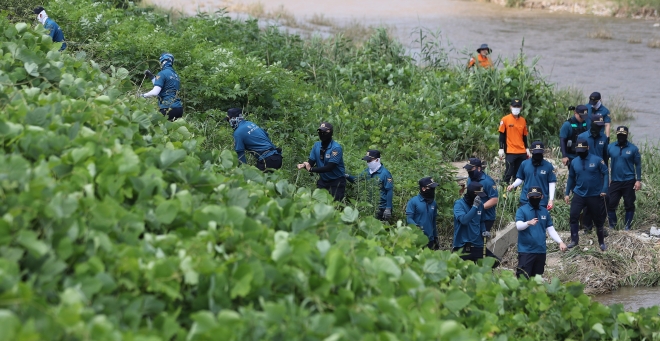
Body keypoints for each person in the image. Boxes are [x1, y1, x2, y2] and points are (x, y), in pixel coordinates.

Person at [564, 139, 609, 251]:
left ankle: (601, 242)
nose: (580, 152)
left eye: (582, 150)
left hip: (594, 195)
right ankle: (574, 240)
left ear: (588, 148)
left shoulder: (597, 160)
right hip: (579, 194)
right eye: (578, 150)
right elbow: (571, 178)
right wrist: (567, 193)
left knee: (598, 220)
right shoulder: (574, 161)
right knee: (573, 216)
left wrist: (604, 188)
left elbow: (605, 172)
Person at [515, 187, 568, 279]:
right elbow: (518, 226)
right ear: (528, 196)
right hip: (526, 251)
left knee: (536, 279)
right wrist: (528, 223)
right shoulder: (522, 210)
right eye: (532, 196)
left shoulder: (544, 212)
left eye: (537, 196)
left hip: (540, 251)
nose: (535, 198)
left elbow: (550, 229)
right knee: (523, 279)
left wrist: (560, 242)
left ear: (542, 197)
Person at [453, 182, 499, 265]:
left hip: (477, 244)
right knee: (462, 272)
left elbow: (481, 221)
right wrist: (474, 207)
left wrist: (484, 231)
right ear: (472, 193)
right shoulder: (459, 204)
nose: (479, 197)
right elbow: (464, 221)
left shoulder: (480, 204)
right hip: (462, 245)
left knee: (495, 262)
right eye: (478, 194)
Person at [297, 122, 346, 202]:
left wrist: (311, 169)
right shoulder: (317, 145)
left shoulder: (336, 148)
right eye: (320, 131)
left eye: (324, 132)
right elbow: (311, 163)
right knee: (318, 204)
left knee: (335, 207)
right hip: (323, 181)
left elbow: (329, 167)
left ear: (330, 132)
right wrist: (304, 165)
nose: (321, 134)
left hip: (336, 182)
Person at [577, 113, 609, 234]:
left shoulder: (604, 138)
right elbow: (577, 157)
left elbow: (605, 157)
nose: (600, 127)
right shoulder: (582, 137)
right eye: (598, 125)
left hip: (600, 173)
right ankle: (587, 226)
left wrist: (606, 173)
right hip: (585, 173)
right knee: (587, 199)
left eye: (601, 125)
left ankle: (599, 225)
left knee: (604, 199)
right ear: (592, 124)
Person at [607, 126, 642, 230]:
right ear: (617, 135)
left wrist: (638, 180)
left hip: (629, 181)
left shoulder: (633, 148)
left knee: (629, 204)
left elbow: (638, 164)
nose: (621, 137)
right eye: (619, 135)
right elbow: (604, 162)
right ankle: (613, 225)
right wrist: (606, 178)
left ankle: (627, 226)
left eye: (623, 135)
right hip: (615, 181)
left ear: (627, 135)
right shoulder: (610, 147)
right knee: (610, 205)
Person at [507, 141, 557, 210]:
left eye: (539, 153)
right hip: (526, 199)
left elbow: (551, 182)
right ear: (532, 152)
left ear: (543, 153)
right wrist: (513, 185)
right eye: (536, 153)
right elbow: (520, 178)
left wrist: (551, 199)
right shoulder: (524, 164)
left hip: (541, 201)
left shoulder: (548, 166)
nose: (538, 155)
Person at [346, 150, 394, 221]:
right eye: (367, 161)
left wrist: (388, 208)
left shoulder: (385, 174)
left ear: (377, 160)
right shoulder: (366, 171)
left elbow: (389, 191)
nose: (368, 163)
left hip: (381, 207)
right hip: (369, 205)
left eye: (370, 160)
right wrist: (347, 176)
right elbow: (357, 180)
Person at [141, 53, 183, 121]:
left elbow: (155, 92)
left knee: (155, 126)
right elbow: (162, 87)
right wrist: (152, 77)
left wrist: (143, 95)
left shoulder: (162, 73)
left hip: (167, 108)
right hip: (178, 108)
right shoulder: (176, 75)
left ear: (162, 62)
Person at [499, 98, 531, 185]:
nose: (516, 108)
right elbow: (501, 135)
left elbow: (524, 136)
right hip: (510, 151)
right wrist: (501, 148)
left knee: (518, 174)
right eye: (514, 106)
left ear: (521, 108)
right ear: (510, 107)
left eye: (518, 106)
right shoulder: (505, 119)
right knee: (508, 172)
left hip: (521, 151)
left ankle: (514, 193)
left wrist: (527, 148)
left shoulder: (523, 120)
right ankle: (504, 190)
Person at [464, 158, 498, 232]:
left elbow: (494, 200)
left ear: (478, 168)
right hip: (473, 216)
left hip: (486, 217)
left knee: (481, 241)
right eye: (468, 170)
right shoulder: (470, 179)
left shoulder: (488, 182)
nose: (469, 171)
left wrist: (479, 208)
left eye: (471, 169)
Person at [406, 177, 439, 250]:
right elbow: (409, 219)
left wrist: (435, 237)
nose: (433, 190)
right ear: (423, 188)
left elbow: (433, 221)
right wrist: (417, 227)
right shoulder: (413, 202)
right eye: (431, 188)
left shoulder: (433, 203)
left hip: (430, 239)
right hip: (417, 239)